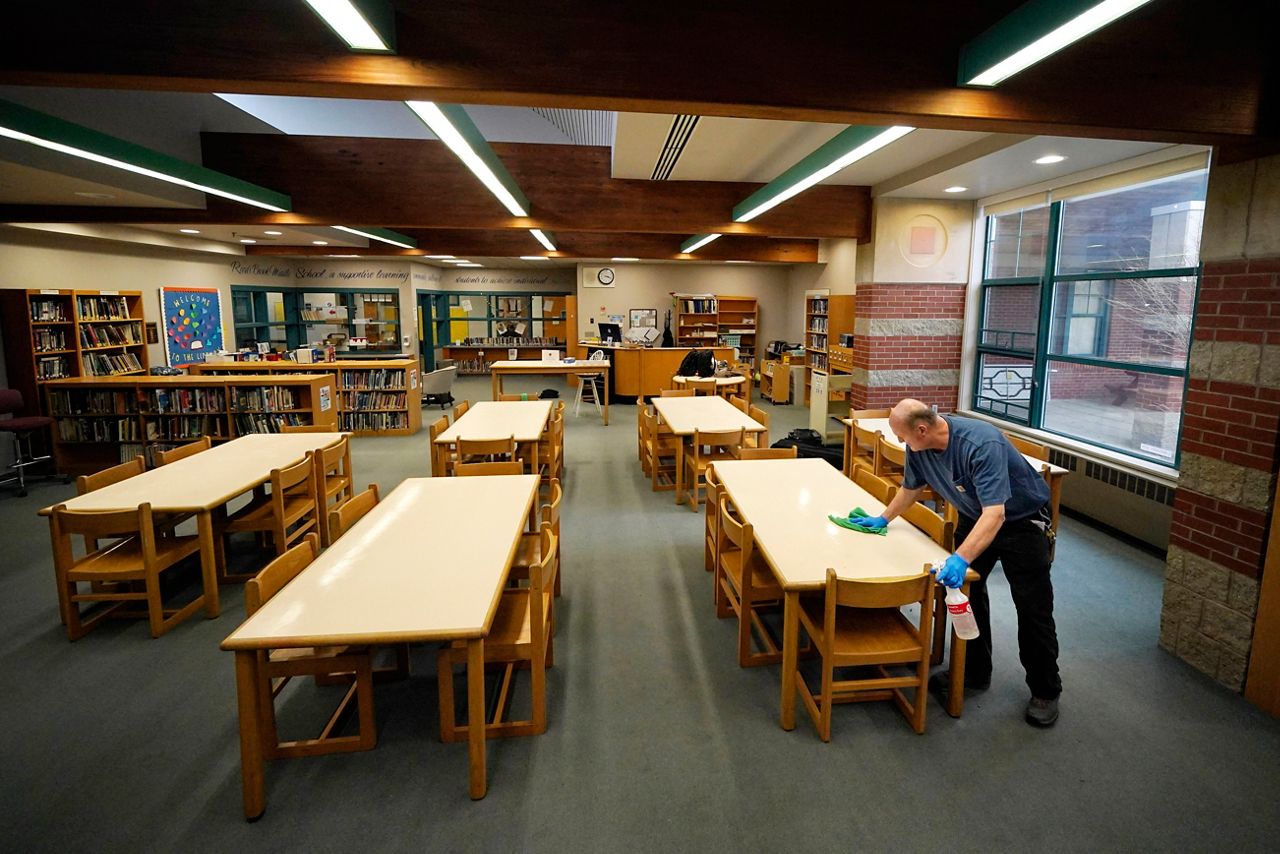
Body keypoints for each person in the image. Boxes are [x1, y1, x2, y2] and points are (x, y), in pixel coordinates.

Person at [849, 399, 1061, 727]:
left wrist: (962, 557)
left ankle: (1046, 689)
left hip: (1020, 522)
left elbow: (997, 513)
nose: (901, 443)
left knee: (1032, 607)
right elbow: (910, 488)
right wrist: (883, 518)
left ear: (922, 429)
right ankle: (974, 672)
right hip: (973, 515)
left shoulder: (979, 444)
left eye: (903, 436)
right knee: (965, 597)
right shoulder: (918, 446)